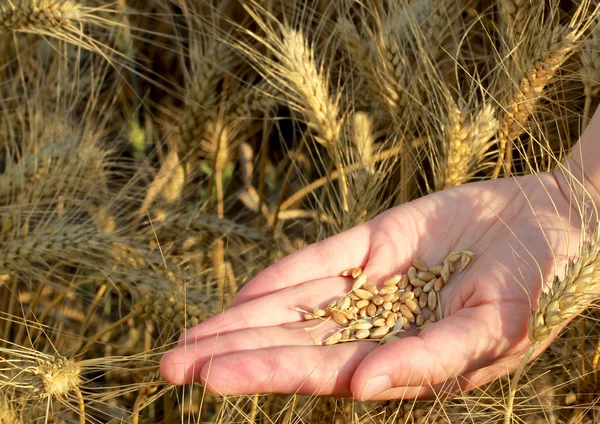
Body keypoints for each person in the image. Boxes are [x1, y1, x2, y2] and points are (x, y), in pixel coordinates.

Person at [160, 106, 600, 401]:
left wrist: (579, 198)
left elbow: (395, 300)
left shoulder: (401, 295)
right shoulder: (396, 295)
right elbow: (393, 299)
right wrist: (579, 192)